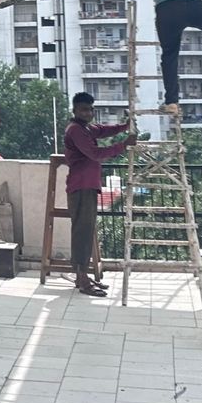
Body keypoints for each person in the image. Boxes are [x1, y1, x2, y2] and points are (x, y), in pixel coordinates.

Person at [62, 92, 129, 297]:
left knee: (85, 230)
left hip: (87, 186)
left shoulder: (87, 128)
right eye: (84, 109)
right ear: (75, 110)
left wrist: (125, 126)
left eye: (91, 109)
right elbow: (95, 154)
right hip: (81, 186)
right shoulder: (76, 130)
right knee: (82, 232)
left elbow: (104, 130)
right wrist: (124, 145)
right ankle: (82, 278)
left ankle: (82, 275)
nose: (88, 113)